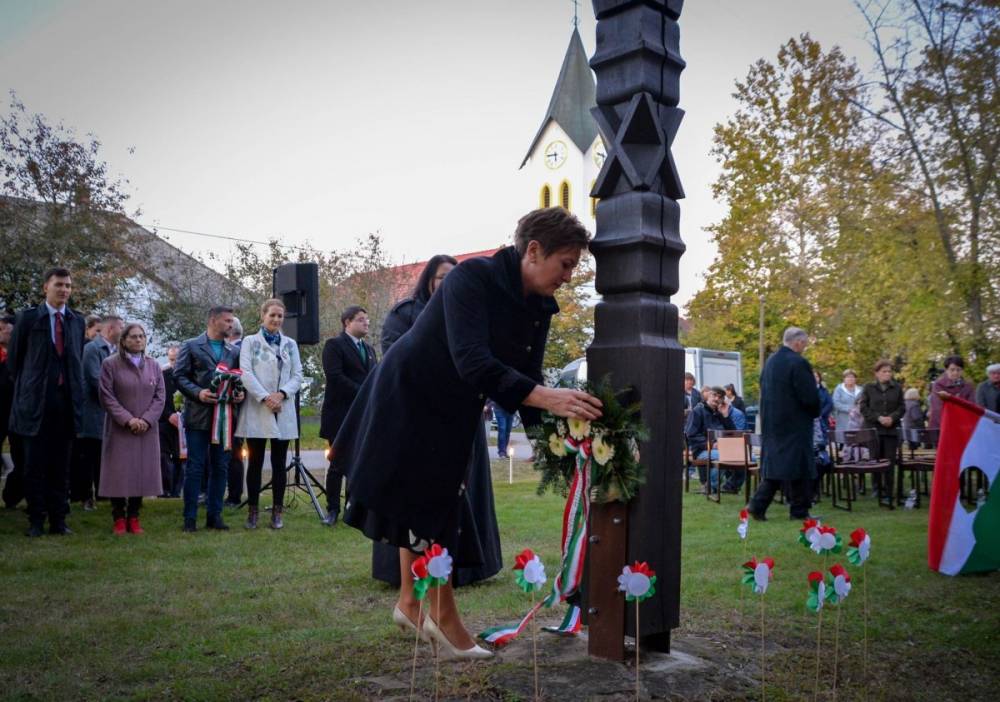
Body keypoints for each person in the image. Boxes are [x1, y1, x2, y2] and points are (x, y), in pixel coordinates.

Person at [336, 207, 602, 659]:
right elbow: (473, 361)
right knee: (432, 506)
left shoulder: (539, 305)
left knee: (424, 504)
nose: (570, 277)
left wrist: (557, 448)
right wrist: (548, 397)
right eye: (567, 264)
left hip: (453, 406)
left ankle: (408, 603)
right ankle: (446, 621)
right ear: (534, 251)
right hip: (409, 396)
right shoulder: (470, 279)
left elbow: (526, 375)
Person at [373, 254, 502, 589]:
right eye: (443, 277)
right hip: (418, 418)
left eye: (454, 277)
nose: (449, 283)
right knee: (413, 497)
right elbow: (398, 360)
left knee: (463, 493)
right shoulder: (405, 314)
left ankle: (465, 568)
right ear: (429, 280)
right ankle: (406, 578)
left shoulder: (470, 315)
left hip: (462, 417)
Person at [7, 268, 87, 536]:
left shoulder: (77, 321)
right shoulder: (28, 319)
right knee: (34, 466)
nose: (64, 290)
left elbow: (76, 361)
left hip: (66, 405)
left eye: (68, 286)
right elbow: (15, 363)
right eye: (59, 285)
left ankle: (58, 521)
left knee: (61, 466)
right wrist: (30, 389)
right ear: (46, 288)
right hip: (36, 405)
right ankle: (36, 520)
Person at [174, 306, 244, 532]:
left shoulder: (232, 351)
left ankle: (215, 515)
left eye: (232, 321)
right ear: (213, 320)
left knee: (221, 467)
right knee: (195, 467)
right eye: (227, 321)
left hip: (224, 417)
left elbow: (237, 378)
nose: (231, 325)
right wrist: (198, 392)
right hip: (198, 416)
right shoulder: (191, 345)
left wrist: (239, 394)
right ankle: (190, 518)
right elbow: (179, 376)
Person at [236, 299, 303, 530]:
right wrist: (266, 397)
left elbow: (297, 374)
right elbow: (245, 372)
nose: (276, 320)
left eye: (280, 316)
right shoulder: (250, 342)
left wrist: (281, 394)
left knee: (278, 462)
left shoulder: (290, 344)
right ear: (263, 316)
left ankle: (277, 511)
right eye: (272, 315)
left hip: (282, 408)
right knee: (255, 461)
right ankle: (253, 510)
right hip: (258, 407)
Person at [746, 327, 820, 521]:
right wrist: (815, 410)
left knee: (781, 467)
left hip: (773, 424)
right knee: (799, 466)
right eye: (804, 344)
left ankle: (761, 505)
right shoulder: (798, 363)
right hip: (795, 424)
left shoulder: (770, 362)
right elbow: (809, 396)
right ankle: (796, 510)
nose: (804, 348)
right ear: (797, 342)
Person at [97, 323, 166, 534]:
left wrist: (146, 420)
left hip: (146, 430)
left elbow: (160, 396)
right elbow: (106, 396)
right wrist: (128, 420)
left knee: (141, 473)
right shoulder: (110, 364)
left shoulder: (154, 365)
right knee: (119, 474)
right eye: (133, 336)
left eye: (141, 336)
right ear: (124, 340)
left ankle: (134, 516)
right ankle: (118, 517)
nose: (138, 340)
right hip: (121, 429)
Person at [319, 305, 377, 525]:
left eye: (367, 319)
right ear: (347, 322)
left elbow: (374, 378)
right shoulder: (334, 346)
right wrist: (363, 392)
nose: (366, 323)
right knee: (337, 463)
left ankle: (351, 509)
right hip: (340, 415)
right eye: (361, 319)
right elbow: (335, 376)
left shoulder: (370, 350)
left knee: (358, 463)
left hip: (363, 416)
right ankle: (332, 510)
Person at [74, 314, 123, 511]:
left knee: (106, 457)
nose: (124, 330)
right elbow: (96, 381)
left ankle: (105, 494)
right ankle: (86, 496)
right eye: (121, 326)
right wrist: (119, 396)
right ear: (110, 329)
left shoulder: (119, 351)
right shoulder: (92, 349)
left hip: (110, 413)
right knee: (89, 457)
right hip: (93, 413)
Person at [858, 359, 905, 506]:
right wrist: (878, 418)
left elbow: (902, 407)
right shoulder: (868, 388)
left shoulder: (897, 388)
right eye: (884, 371)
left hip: (891, 429)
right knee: (876, 458)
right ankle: (877, 488)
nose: (887, 374)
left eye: (889, 371)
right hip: (874, 429)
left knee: (889, 460)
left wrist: (892, 418)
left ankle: (889, 490)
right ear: (877, 373)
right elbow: (863, 407)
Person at [684, 386, 735, 493]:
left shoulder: (719, 413)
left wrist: (725, 415)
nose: (716, 399)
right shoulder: (697, 411)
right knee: (725, 456)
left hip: (722, 449)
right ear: (708, 395)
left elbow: (733, 433)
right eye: (714, 395)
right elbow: (691, 434)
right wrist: (711, 445)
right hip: (702, 450)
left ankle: (730, 486)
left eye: (720, 397)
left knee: (750, 457)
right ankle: (710, 486)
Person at [0, 314, 25, 509]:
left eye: (4, 328)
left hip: (17, 412)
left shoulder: (22, 355)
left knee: (22, 457)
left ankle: (12, 497)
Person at [224, 317, 246, 507]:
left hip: (236, 409)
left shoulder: (239, 351)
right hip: (230, 408)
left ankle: (234, 496)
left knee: (234, 455)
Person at [159, 343, 183, 497]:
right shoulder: (162, 375)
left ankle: (176, 491)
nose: (174, 363)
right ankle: (164, 489)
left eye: (177, 359)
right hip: (165, 420)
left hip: (183, 422)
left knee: (181, 457)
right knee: (163, 456)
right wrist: (169, 415)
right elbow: (159, 399)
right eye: (171, 359)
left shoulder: (188, 375)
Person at [928, 355, 976, 429]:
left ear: (962, 370)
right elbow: (938, 409)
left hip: (963, 426)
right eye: (952, 370)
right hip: (941, 426)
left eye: (958, 370)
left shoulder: (968, 386)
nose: (955, 373)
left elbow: (972, 407)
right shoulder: (939, 385)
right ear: (946, 370)